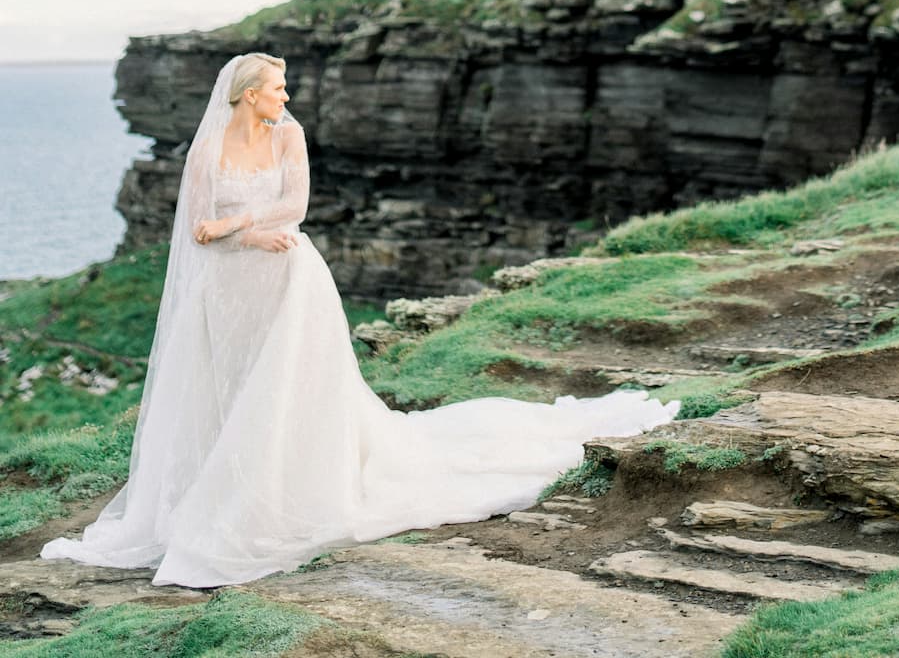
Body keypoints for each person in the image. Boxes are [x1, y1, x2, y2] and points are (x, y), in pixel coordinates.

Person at [42, 52, 679, 588]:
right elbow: (195, 233)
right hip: (227, 290)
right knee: (229, 389)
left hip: (289, 279)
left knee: (291, 389)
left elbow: (294, 205)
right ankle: (220, 490)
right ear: (246, 95)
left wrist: (243, 227)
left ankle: (281, 490)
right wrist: (237, 237)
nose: (285, 97)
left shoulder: (287, 136)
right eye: (277, 88)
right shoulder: (208, 150)